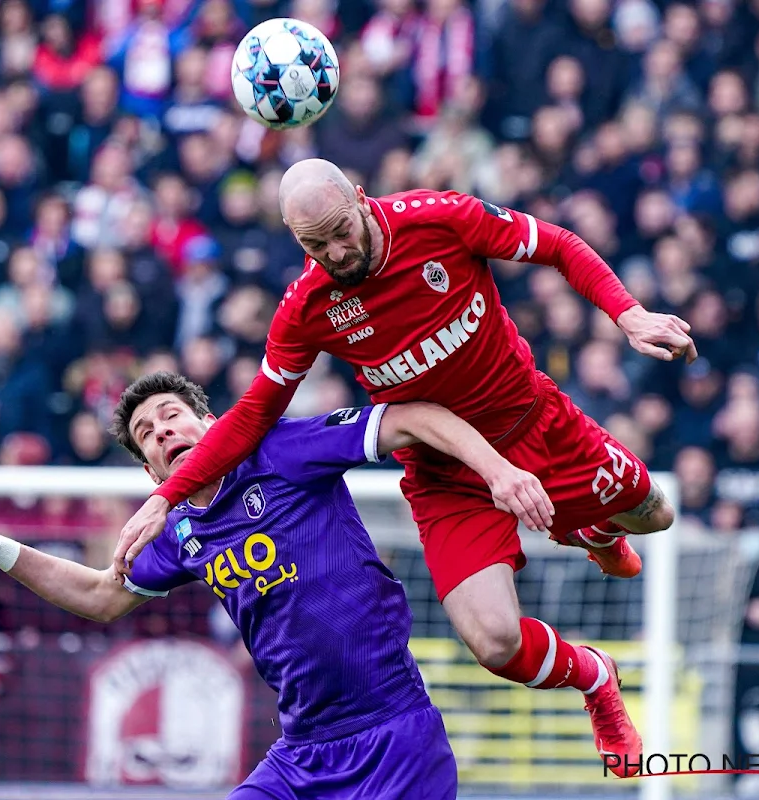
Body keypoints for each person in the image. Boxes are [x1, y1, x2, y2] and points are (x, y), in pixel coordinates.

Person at [114, 159, 701, 775]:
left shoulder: (439, 220)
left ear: (361, 199)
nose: (336, 252)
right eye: (315, 245)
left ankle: (593, 528)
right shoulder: (307, 307)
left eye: (342, 230)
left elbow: (556, 244)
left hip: (534, 422)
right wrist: (164, 497)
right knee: (494, 643)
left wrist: (627, 313)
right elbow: (254, 412)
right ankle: (596, 678)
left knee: (654, 515)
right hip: (446, 475)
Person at [0, 371, 576, 799]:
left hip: (395, 739)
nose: (162, 430)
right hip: (301, 757)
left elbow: (412, 417)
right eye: (146, 434)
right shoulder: (180, 533)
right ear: (150, 474)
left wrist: (497, 472)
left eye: (171, 415)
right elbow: (101, 596)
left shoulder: (283, 450)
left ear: (210, 421)